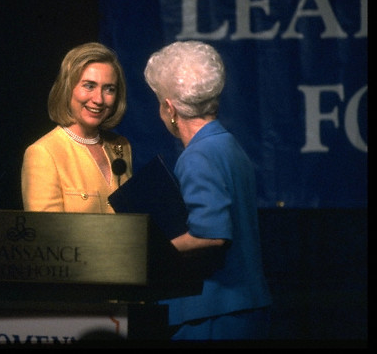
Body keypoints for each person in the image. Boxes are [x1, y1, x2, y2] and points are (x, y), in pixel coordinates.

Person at [143, 40, 272, 340]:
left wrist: (149, 252)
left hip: (213, 315)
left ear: (169, 108)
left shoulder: (198, 155)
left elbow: (211, 234)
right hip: (242, 309)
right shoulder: (228, 144)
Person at [21, 42, 132, 213]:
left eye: (109, 89)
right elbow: (48, 236)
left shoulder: (121, 146)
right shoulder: (43, 153)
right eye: (89, 86)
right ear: (67, 88)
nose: (99, 99)